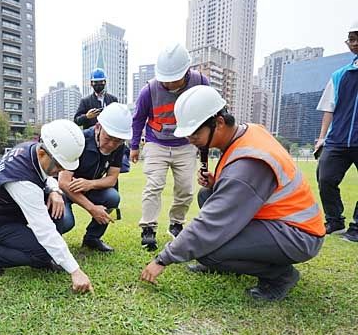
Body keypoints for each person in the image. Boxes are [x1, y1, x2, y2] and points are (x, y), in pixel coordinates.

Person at [140, 86, 325, 301]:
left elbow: (211, 224)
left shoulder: (249, 163)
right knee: (206, 195)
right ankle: (235, 261)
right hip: (280, 222)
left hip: (297, 235)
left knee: (208, 249)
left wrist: (163, 259)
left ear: (218, 122)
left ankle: (280, 276)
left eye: (195, 133)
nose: (190, 139)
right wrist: (218, 182)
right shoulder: (249, 131)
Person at [0, 120, 94, 293]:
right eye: (59, 165)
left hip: (14, 211)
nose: (61, 171)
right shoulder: (22, 181)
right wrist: (75, 271)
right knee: (43, 253)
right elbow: (43, 229)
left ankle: (51, 253)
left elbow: (45, 176)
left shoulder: (34, 149)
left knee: (59, 214)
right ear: (42, 153)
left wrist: (54, 190)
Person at [130, 43, 210, 250]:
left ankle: (177, 223)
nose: (168, 83)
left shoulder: (201, 83)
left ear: (186, 71)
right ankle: (148, 228)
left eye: (174, 78)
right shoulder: (148, 90)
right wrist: (134, 146)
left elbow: (210, 113)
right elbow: (138, 119)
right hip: (157, 142)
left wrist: (204, 147)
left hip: (186, 144)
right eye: (165, 79)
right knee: (154, 185)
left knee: (185, 187)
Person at [55, 103, 132, 252]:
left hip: (86, 186)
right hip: (62, 190)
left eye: (117, 141)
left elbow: (111, 179)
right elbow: (63, 182)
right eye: (108, 138)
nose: (111, 145)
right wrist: (92, 208)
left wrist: (89, 184)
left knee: (112, 197)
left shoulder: (119, 146)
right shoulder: (79, 141)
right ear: (98, 127)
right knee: (66, 221)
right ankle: (50, 244)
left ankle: (92, 239)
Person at [314, 20, 358, 242]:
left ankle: (357, 228)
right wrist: (322, 138)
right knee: (325, 178)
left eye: (357, 37)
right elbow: (329, 109)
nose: (354, 43)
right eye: (351, 39)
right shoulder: (340, 75)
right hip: (338, 140)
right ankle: (334, 221)